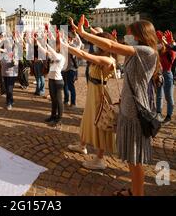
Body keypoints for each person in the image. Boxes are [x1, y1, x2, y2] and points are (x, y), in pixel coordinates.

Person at [73, 15, 159, 196]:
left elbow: (110, 45)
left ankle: (138, 193)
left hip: (135, 112)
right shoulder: (139, 51)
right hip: (128, 107)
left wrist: (82, 33)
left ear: (139, 35)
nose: (127, 37)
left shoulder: (145, 51)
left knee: (135, 159)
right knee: (132, 159)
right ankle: (134, 190)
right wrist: (89, 32)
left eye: (130, 34)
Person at [64, 31, 118, 170]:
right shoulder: (102, 56)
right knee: (87, 120)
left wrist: (64, 44)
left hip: (99, 95)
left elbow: (83, 55)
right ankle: (82, 145)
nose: (95, 44)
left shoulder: (109, 60)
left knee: (101, 125)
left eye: (98, 42)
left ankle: (99, 159)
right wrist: (83, 29)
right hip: (92, 93)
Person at [36, 34, 66, 128]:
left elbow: (53, 52)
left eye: (56, 46)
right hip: (51, 80)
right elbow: (44, 51)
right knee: (53, 100)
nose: (54, 47)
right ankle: (53, 116)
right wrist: (39, 43)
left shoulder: (61, 57)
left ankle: (59, 119)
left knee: (59, 101)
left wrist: (47, 43)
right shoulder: (53, 57)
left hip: (58, 81)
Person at [156, 31, 176, 124]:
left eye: (161, 42)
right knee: (159, 95)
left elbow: (172, 50)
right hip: (159, 74)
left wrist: (164, 40)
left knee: (169, 96)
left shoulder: (170, 52)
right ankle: (158, 113)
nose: (160, 43)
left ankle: (168, 116)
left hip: (167, 75)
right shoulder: (159, 52)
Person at [62, 32, 83, 108]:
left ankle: (73, 103)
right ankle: (66, 100)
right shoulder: (62, 47)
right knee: (65, 86)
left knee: (71, 87)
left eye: (65, 38)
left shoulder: (72, 46)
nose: (63, 39)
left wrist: (76, 34)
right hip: (64, 69)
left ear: (69, 39)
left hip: (71, 69)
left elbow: (80, 44)